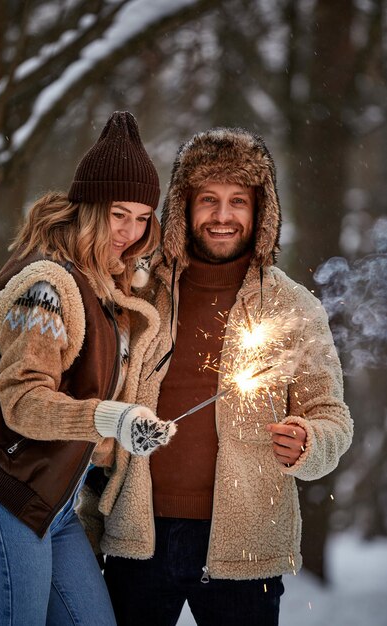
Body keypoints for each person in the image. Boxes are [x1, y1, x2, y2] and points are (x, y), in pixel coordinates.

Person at [81, 125, 354, 626]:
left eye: (238, 201)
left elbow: (332, 417)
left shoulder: (293, 306)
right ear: (184, 207)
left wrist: (310, 442)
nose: (223, 216)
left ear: (260, 211)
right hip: (138, 537)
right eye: (208, 199)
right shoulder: (138, 292)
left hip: (245, 547)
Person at [0, 111, 176, 626]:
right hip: (2, 492)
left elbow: (81, 403)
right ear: (89, 207)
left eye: (142, 217)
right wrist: (112, 418)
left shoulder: (103, 289)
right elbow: (24, 404)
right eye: (118, 214)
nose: (130, 233)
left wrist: (125, 433)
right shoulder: (48, 286)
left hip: (54, 502)